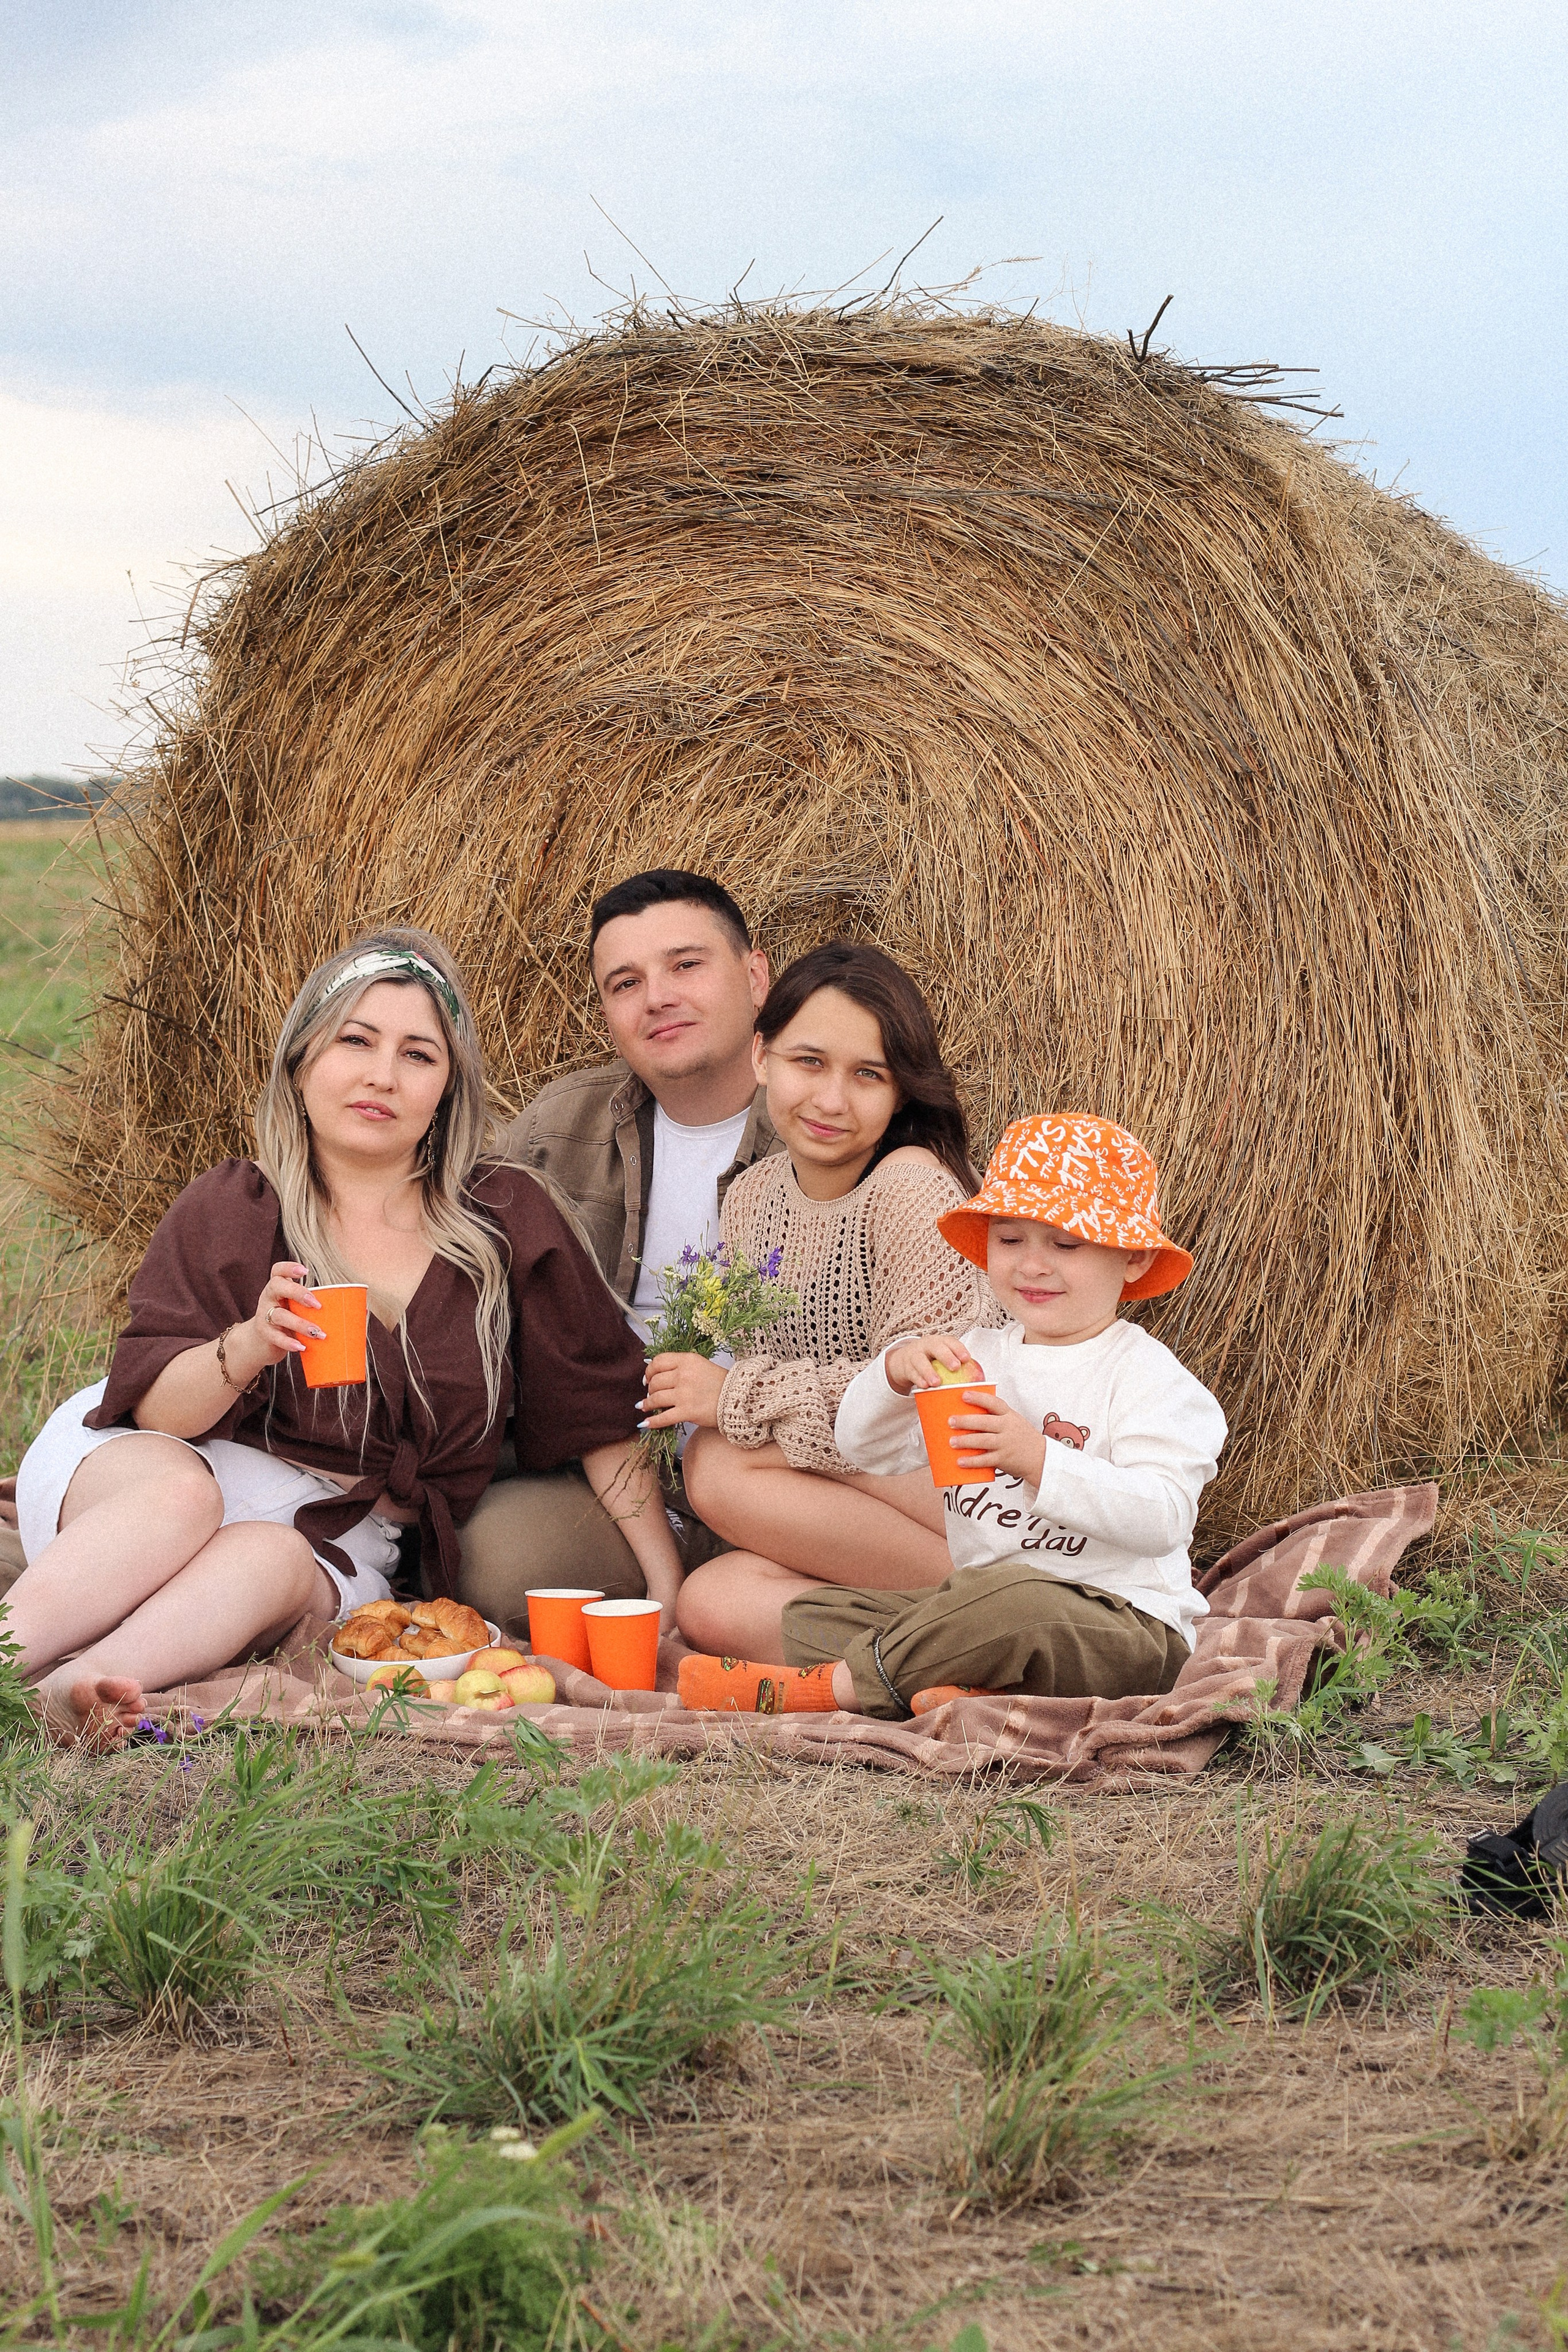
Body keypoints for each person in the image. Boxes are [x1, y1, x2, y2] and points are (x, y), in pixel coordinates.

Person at [8, 929, 684, 1746]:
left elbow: (594, 1415)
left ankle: (82, 1692)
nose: (381, 1076)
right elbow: (157, 1411)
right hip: (159, 1463)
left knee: (273, 1562)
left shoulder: (505, 1222)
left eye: (418, 1055)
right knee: (185, 1498)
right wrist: (246, 1347)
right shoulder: (236, 1207)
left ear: (448, 1089)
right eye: (355, 1041)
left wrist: (665, 1584)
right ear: (301, 1065)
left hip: (342, 1525)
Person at [674, 1114, 1226, 1719]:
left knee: (1010, 1602)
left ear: (1135, 1262)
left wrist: (1036, 1458)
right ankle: (969, 1689)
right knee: (817, 1615)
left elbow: (1165, 1518)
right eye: (1010, 1240)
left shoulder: (1150, 1378)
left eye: (1065, 1244)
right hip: (974, 1610)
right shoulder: (978, 1356)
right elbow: (864, 1450)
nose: (1032, 1266)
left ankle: (832, 1690)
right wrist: (889, 1377)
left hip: (1122, 1628)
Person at [643, 941, 1006, 1658]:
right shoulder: (753, 1196)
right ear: (761, 1058)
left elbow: (924, 1408)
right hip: (855, 1496)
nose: (832, 1100)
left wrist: (733, 1395)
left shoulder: (909, 1186)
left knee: (716, 1461)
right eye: (808, 1062)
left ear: (901, 1090)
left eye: (868, 1074)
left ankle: (1019, 1593)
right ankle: (978, 1636)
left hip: (967, 1490)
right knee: (712, 1603)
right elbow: (781, 1428)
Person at [459, 869, 777, 1632]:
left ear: (757, 975)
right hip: (615, 1479)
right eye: (624, 982)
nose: (656, 997)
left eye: (685, 965)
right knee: (492, 1561)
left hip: (774, 1465)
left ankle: (739, 1583)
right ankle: (678, 1576)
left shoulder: (827, 1114)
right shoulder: (560, 1125)